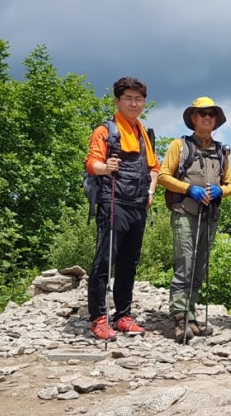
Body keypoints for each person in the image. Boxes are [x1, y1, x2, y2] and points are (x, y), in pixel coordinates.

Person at [85, 77, 160, 341]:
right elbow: (91, 163)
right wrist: (105, 168)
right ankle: (98, 318)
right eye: (128, 98)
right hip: (113, 202)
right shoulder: (105, 131)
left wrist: (150, 192)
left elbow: (154, 168)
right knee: (105, 261)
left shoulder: (143, 132)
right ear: (117, 101)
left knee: (129, 263)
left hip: (138, 204)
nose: (133, 103)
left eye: (138, 98)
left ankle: (123, 316)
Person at [157, 96, 231, 342]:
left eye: (211, 115)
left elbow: (229, 183)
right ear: (193, 118)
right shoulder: (179, 146)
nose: (207, 118)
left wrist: (221, 191)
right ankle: (180, 318)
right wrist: (189, 189)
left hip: (209, 216)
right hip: (185, 213)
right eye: (203, 114)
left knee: (200, 267)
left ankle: (191, 314)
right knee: (185, 264)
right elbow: (163, 176)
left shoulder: (222, 151)